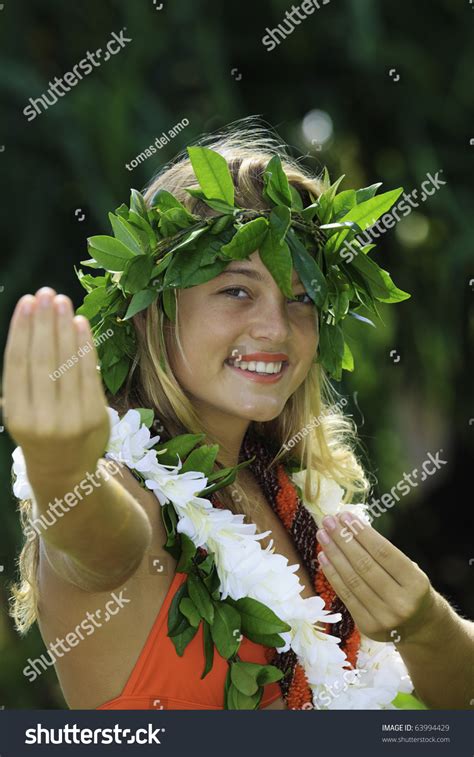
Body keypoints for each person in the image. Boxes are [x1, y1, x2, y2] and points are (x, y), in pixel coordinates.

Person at [3, 123, 473, 710]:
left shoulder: (298, 497)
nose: (277, 329)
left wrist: (427, 624)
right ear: (154, 312)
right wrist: (60, 468)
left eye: (302, 297)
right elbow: (101, 546)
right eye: (236, 290)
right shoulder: (124, 485)